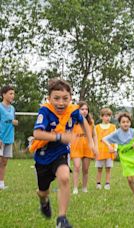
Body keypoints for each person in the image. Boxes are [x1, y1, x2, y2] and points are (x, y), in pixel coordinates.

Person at [29, 79, 96, 228]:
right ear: (49, 98)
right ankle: (43, 201)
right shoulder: (45, 111)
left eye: (65, 98)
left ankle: (62, 219)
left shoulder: (73, 111)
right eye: (56, 98)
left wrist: (91, 142)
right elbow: (37, 133)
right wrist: (59, 136)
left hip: (61, 153)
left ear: (70, 98)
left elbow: (84, 121)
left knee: (65, 177)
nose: (61, 102)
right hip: (43, 156)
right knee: (43, 191)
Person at [103, 112, 134, 197]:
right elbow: (104, 139)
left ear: (130, 123)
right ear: (120, 123)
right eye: (123, 122)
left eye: (127, 122)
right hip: (125, 158)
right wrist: (109, 147)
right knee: (130, 179)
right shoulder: (117, 133)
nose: (125, 123)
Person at [70, 101, 98, 194]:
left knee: (85, 169)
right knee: (77, 167)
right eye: (82, 109)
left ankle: (84, 187)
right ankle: (75, 188)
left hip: (87, 147)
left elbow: (94, 135)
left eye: (86, 109)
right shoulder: (73, 121)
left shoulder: (91, 122)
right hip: (76, 147)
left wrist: (94, 145)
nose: (84, 111)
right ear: (78, 110)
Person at [0, 85, 18, 190]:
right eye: (10, 93)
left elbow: (11, 121)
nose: (13, 96)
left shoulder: (12, 108)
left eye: (13, 94)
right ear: (3, 94)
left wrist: (14, 122)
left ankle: (1, 184)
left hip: (9, 138)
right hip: (0, 139)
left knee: (4, 162)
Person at [95, 108, 116, 190]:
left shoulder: (113, 127)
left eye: (109, 116)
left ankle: (107, 183)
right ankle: (98, 183)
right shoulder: (96, 127)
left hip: (109, 151)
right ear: (101, 117)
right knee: (99, 169)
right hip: (100, 151)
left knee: (108, 168)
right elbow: (95, 139)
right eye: (106, 116)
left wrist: (115, 149)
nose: (108, 118)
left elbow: (115, 138)